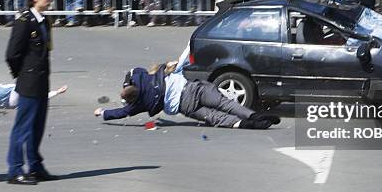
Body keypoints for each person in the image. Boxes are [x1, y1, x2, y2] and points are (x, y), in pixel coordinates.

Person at [94, 45, 281, 129]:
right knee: (226, 104)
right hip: (194, 89)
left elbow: (121, 113)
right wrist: (127, 82)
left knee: (216, 117)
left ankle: (248, 124)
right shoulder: (147, 76)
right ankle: (253, 115)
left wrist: (103, 113)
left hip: (186, 106)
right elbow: (135, 70)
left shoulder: (137, 105)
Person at [5, 0, 55, 185]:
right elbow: (12, 54)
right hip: (29, 81)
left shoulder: (44, 21)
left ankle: (35, 166)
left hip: (42, 81)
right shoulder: (24, 22)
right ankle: (15, 169)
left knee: (37, 127)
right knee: (22, 128)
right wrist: (23, 76)